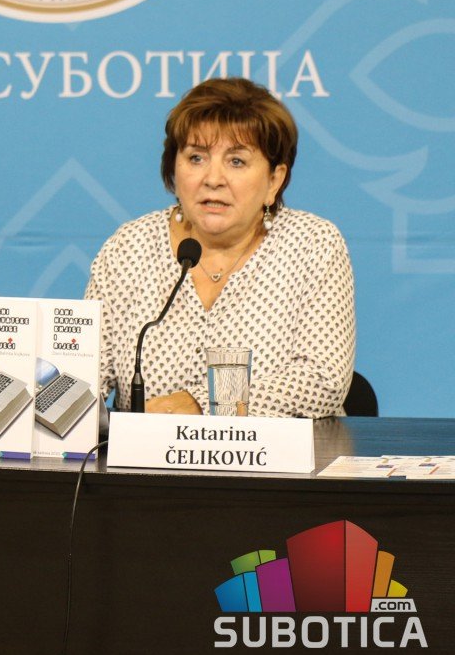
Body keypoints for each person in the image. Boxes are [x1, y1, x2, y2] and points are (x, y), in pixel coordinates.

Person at [85, 77, 355, 417]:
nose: (213, 179)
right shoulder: (129, 247)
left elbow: (323, 381)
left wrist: (203, 404)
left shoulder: (313, 245)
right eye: (196, 158)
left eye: (236, 161)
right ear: (174, 170)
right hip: (150, 453)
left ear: (274, 180)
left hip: (276, 452)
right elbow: (86, 375)